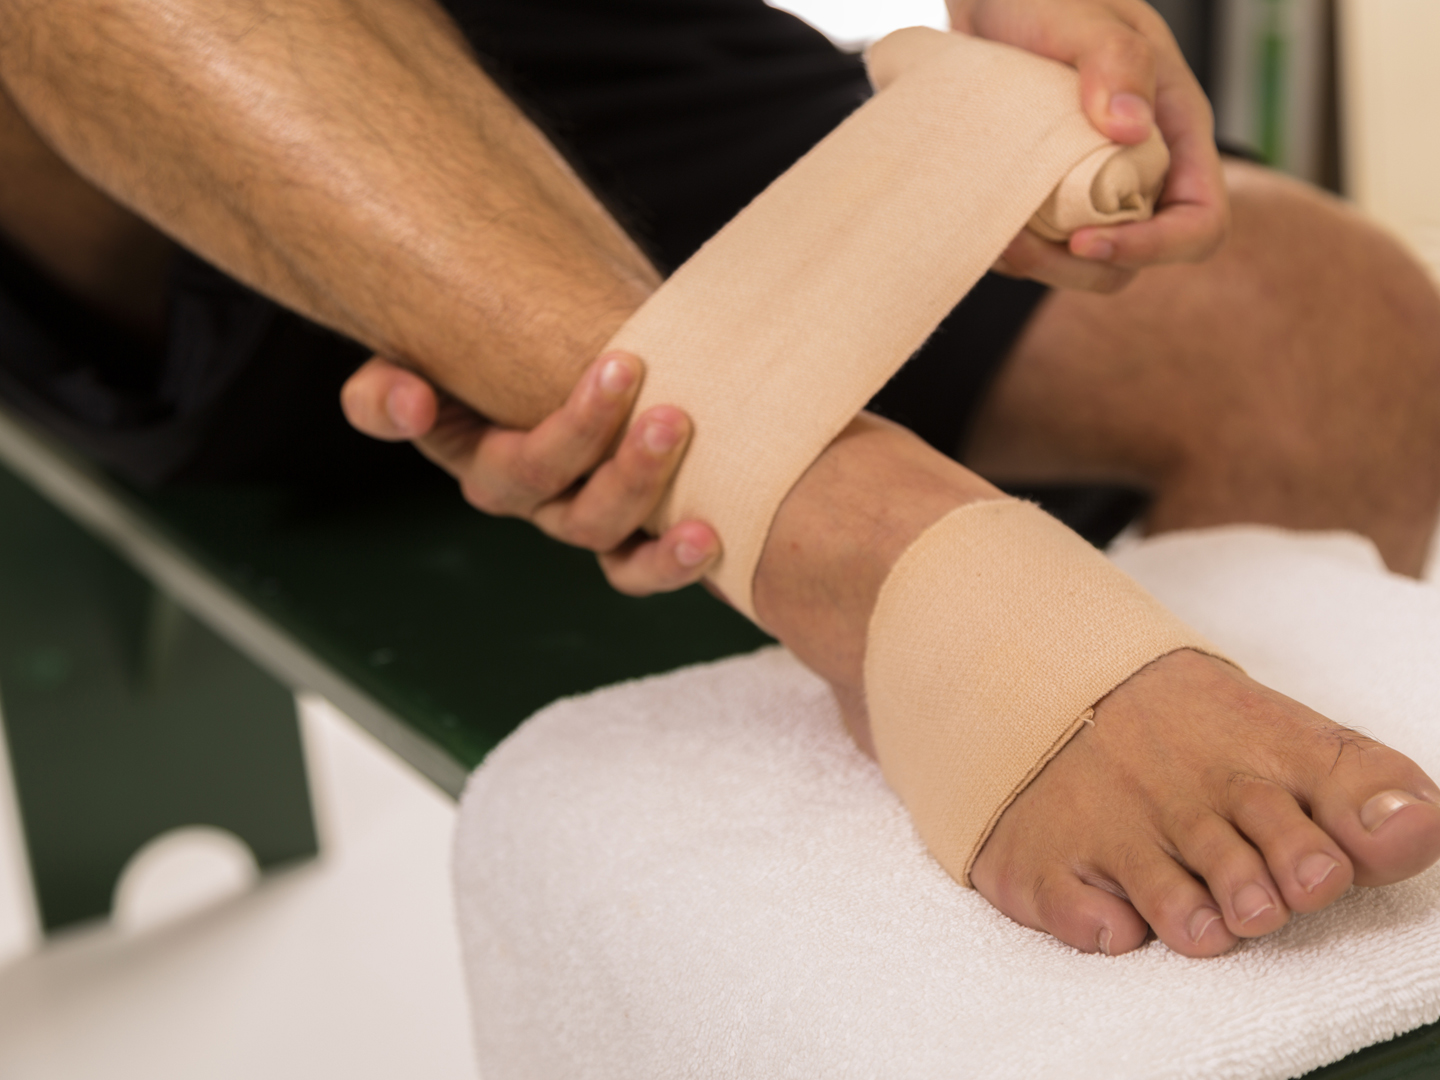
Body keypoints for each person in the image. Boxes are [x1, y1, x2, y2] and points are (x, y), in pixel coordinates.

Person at [3, 0, 1440, 959]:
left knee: (1327, 325)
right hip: (128, 89)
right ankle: (834, 514)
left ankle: (1126, 992)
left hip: (568, 43)